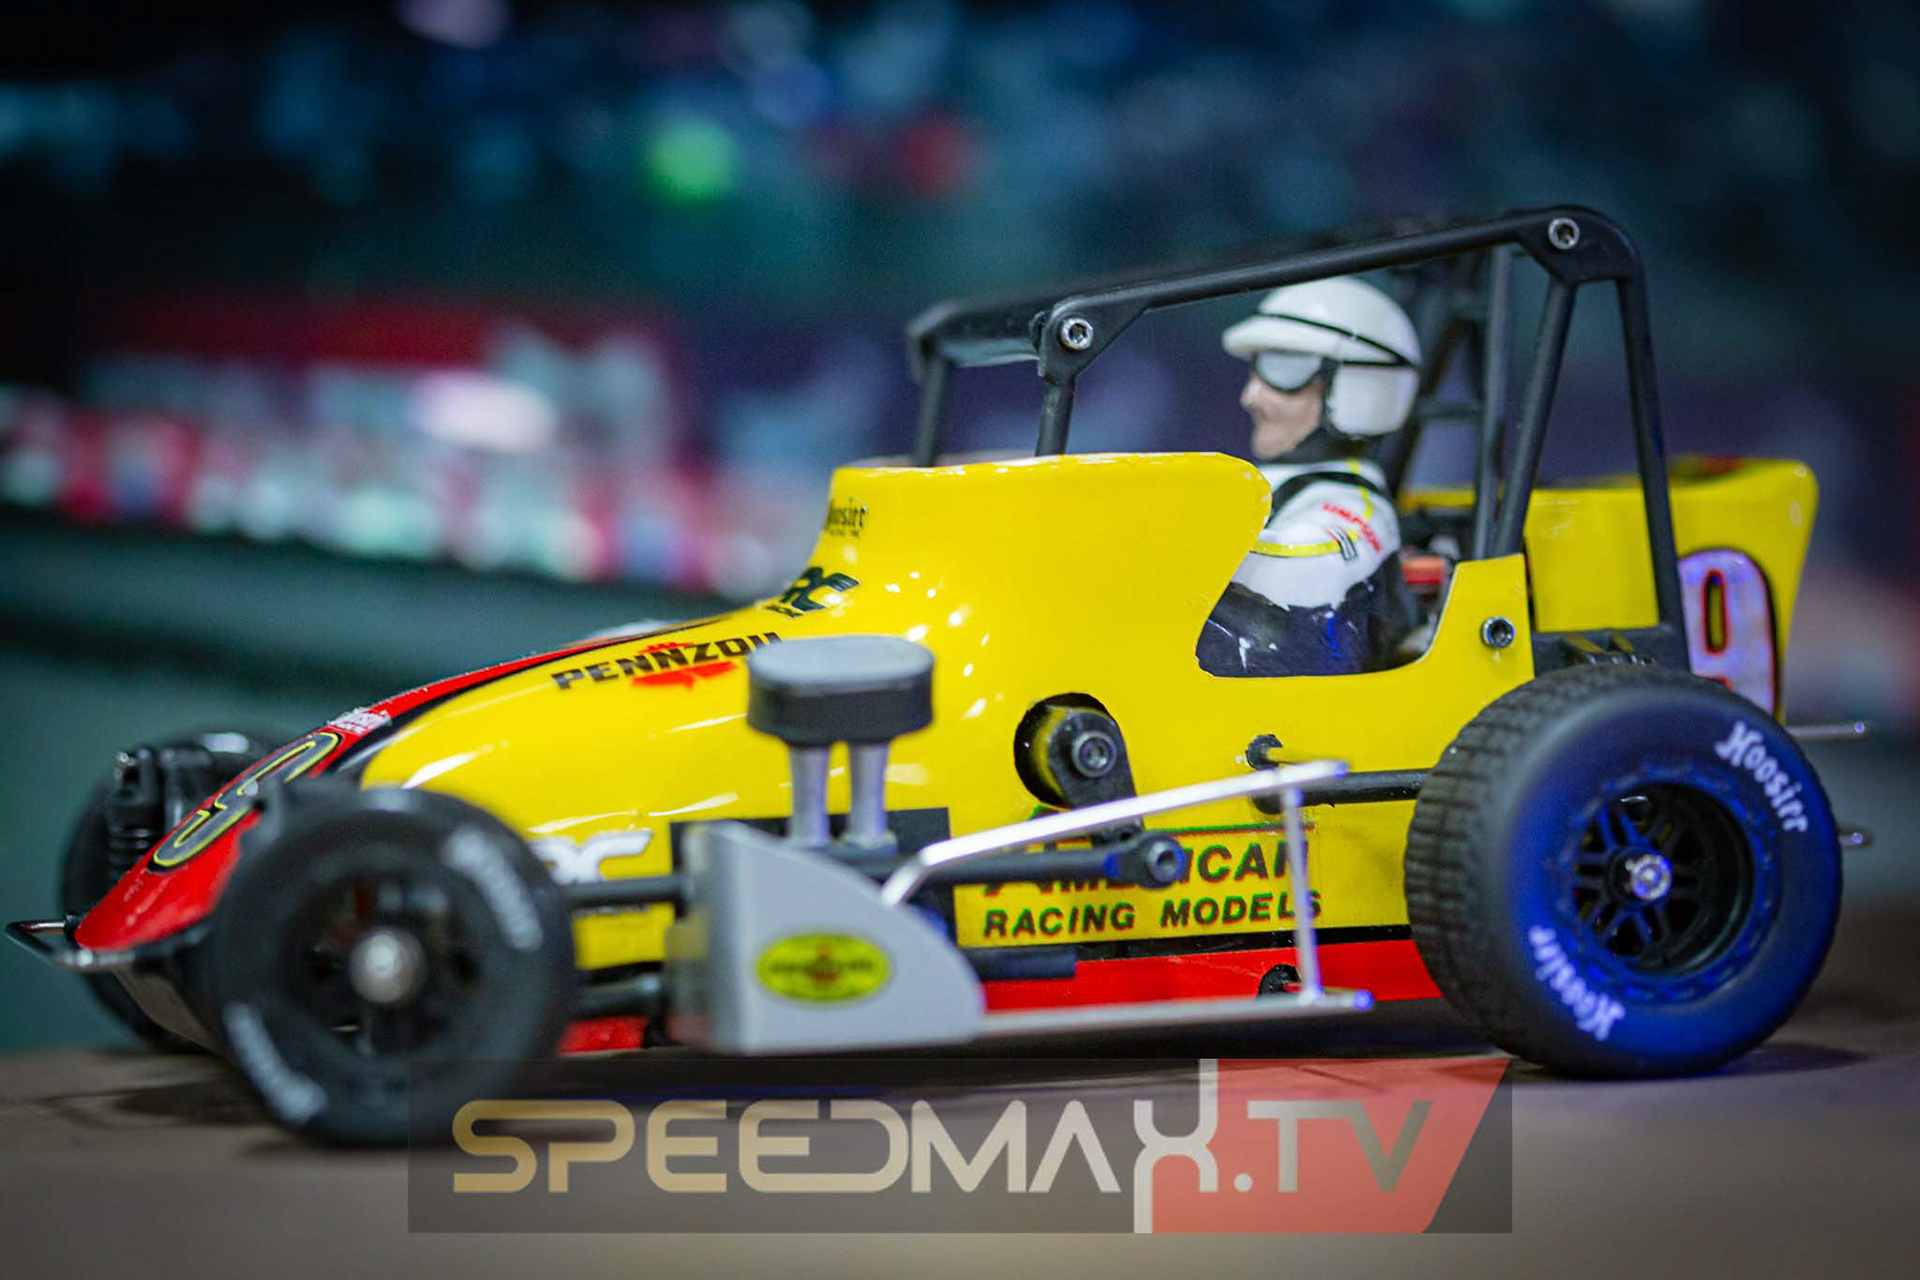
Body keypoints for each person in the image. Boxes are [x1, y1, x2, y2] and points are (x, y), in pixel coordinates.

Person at [1196, 276, 1422, 677]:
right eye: (1256, 370)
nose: (1251, 396)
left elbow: (1306, 573)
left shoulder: (1354, 507)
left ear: (1357, 387)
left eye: (1282, 370)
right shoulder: (1275, 485)